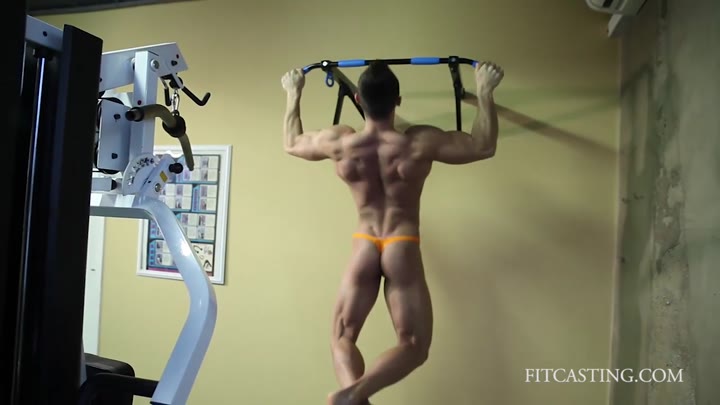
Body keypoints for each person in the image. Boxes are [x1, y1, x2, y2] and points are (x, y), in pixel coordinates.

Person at [281, 60, 504, 405]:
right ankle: (354, 395)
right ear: (398, 101)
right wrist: (485, 90)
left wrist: (293, 92)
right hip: (401, 241)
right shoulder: (417, 142)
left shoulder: (341, 142)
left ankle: (352, 395)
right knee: (413, 344)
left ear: (358, 99)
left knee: (342, 336)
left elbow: (292, 143)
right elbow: (482, 146)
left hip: (365, 242)